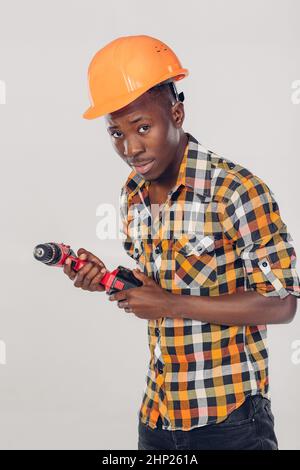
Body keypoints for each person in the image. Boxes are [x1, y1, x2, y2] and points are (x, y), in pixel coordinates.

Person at [63, 35, 300, 450]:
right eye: (116, 133)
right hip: (157, 414)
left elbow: (283, 303)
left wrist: (170, 304)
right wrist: (104, 278)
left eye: (142, 128)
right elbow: (152, 287)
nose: (131, 148)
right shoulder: (132, 193)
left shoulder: (235, 190)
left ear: (176, 113)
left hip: (229, 420)